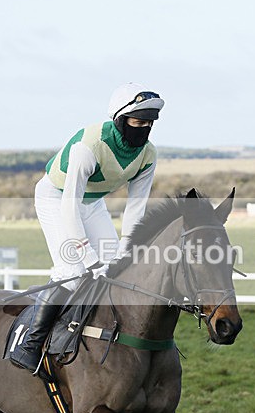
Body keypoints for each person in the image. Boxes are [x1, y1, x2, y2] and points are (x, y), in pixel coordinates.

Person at [10, 82, 165, 374]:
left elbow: (136, 210)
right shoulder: (89, 146)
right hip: (57, 198)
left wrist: (125, 252)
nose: (143, 128)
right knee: (73, 271)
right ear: (119, 118)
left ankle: (97, 337)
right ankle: (31, 341)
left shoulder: (148, 154)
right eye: (137, 121)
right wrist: (88, 257)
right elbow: (69, 207)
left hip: (92, 204)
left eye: (149, 123)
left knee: (114, 270)